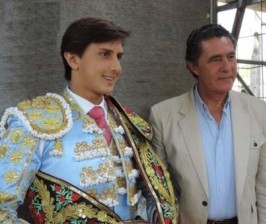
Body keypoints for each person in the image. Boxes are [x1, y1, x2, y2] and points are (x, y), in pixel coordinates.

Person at [0, 17, 178, 223]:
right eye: (104, 54)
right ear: (73, 59)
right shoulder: (33, 122)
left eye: (118, 56)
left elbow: (156, 200)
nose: (116, 67)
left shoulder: (129, 123)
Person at [149, 24, 266, 223]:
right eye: (216, 59)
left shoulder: (256, 110)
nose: (227, 67)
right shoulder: (164, 116)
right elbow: (158, 190)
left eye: (231, 57)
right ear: (193, 67)